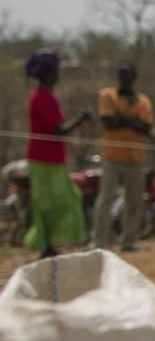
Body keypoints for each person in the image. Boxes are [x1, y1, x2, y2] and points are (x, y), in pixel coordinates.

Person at [21, 52, 89, 259]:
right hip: (44, 159)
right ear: (48, 74)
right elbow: (56, 130)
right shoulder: (42, 98)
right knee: (51, 202)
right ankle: (43, 244)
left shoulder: (46, 96)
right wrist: (79, 119)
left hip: (52, 159)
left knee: (61, 199)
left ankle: (48, 243)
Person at [91, 62, 155, 252]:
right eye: (122, 75)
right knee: (106, 199)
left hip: (135, 157)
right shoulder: (107, 95)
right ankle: (99, 242)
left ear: (134, 78)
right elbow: (109, 122)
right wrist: (132, 121)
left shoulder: (143, 101)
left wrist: (122, 119)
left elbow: (145, 128)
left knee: (134, 201)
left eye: (128, 76)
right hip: (111, 155)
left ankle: (128, 240)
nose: (124, 80)